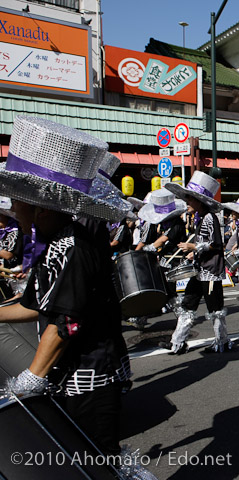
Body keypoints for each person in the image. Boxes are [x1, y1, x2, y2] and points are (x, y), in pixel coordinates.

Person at [0, 116, 133, 454]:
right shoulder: (53, 241)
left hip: (90, 378)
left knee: (99, 466)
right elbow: (33, 306)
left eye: (17, 199)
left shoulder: (72, 245)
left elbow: (65, 324)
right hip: (67, 376)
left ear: (39, 206)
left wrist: (30, 378)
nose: (13, 207)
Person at [163, 171, 229, 354]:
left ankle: (221, 341)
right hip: (199, 270)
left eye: (189, 200)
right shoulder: (199, 218)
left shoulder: (210, 218)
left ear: (199, 201)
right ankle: (177, 342)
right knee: (187, 305)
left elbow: (216, 244)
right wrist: (194, 253)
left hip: (211, 272)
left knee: (215, 308)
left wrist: (194, 247)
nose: (187, 203)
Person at [130, 189, 187, 329]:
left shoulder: (177, 224)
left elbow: (162, 241)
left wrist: (149, 248)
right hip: (162, 261)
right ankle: (143, 315)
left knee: (170, 291)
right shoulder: (161, 223)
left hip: (174, 262)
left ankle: (182, 317)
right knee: (156, 289)